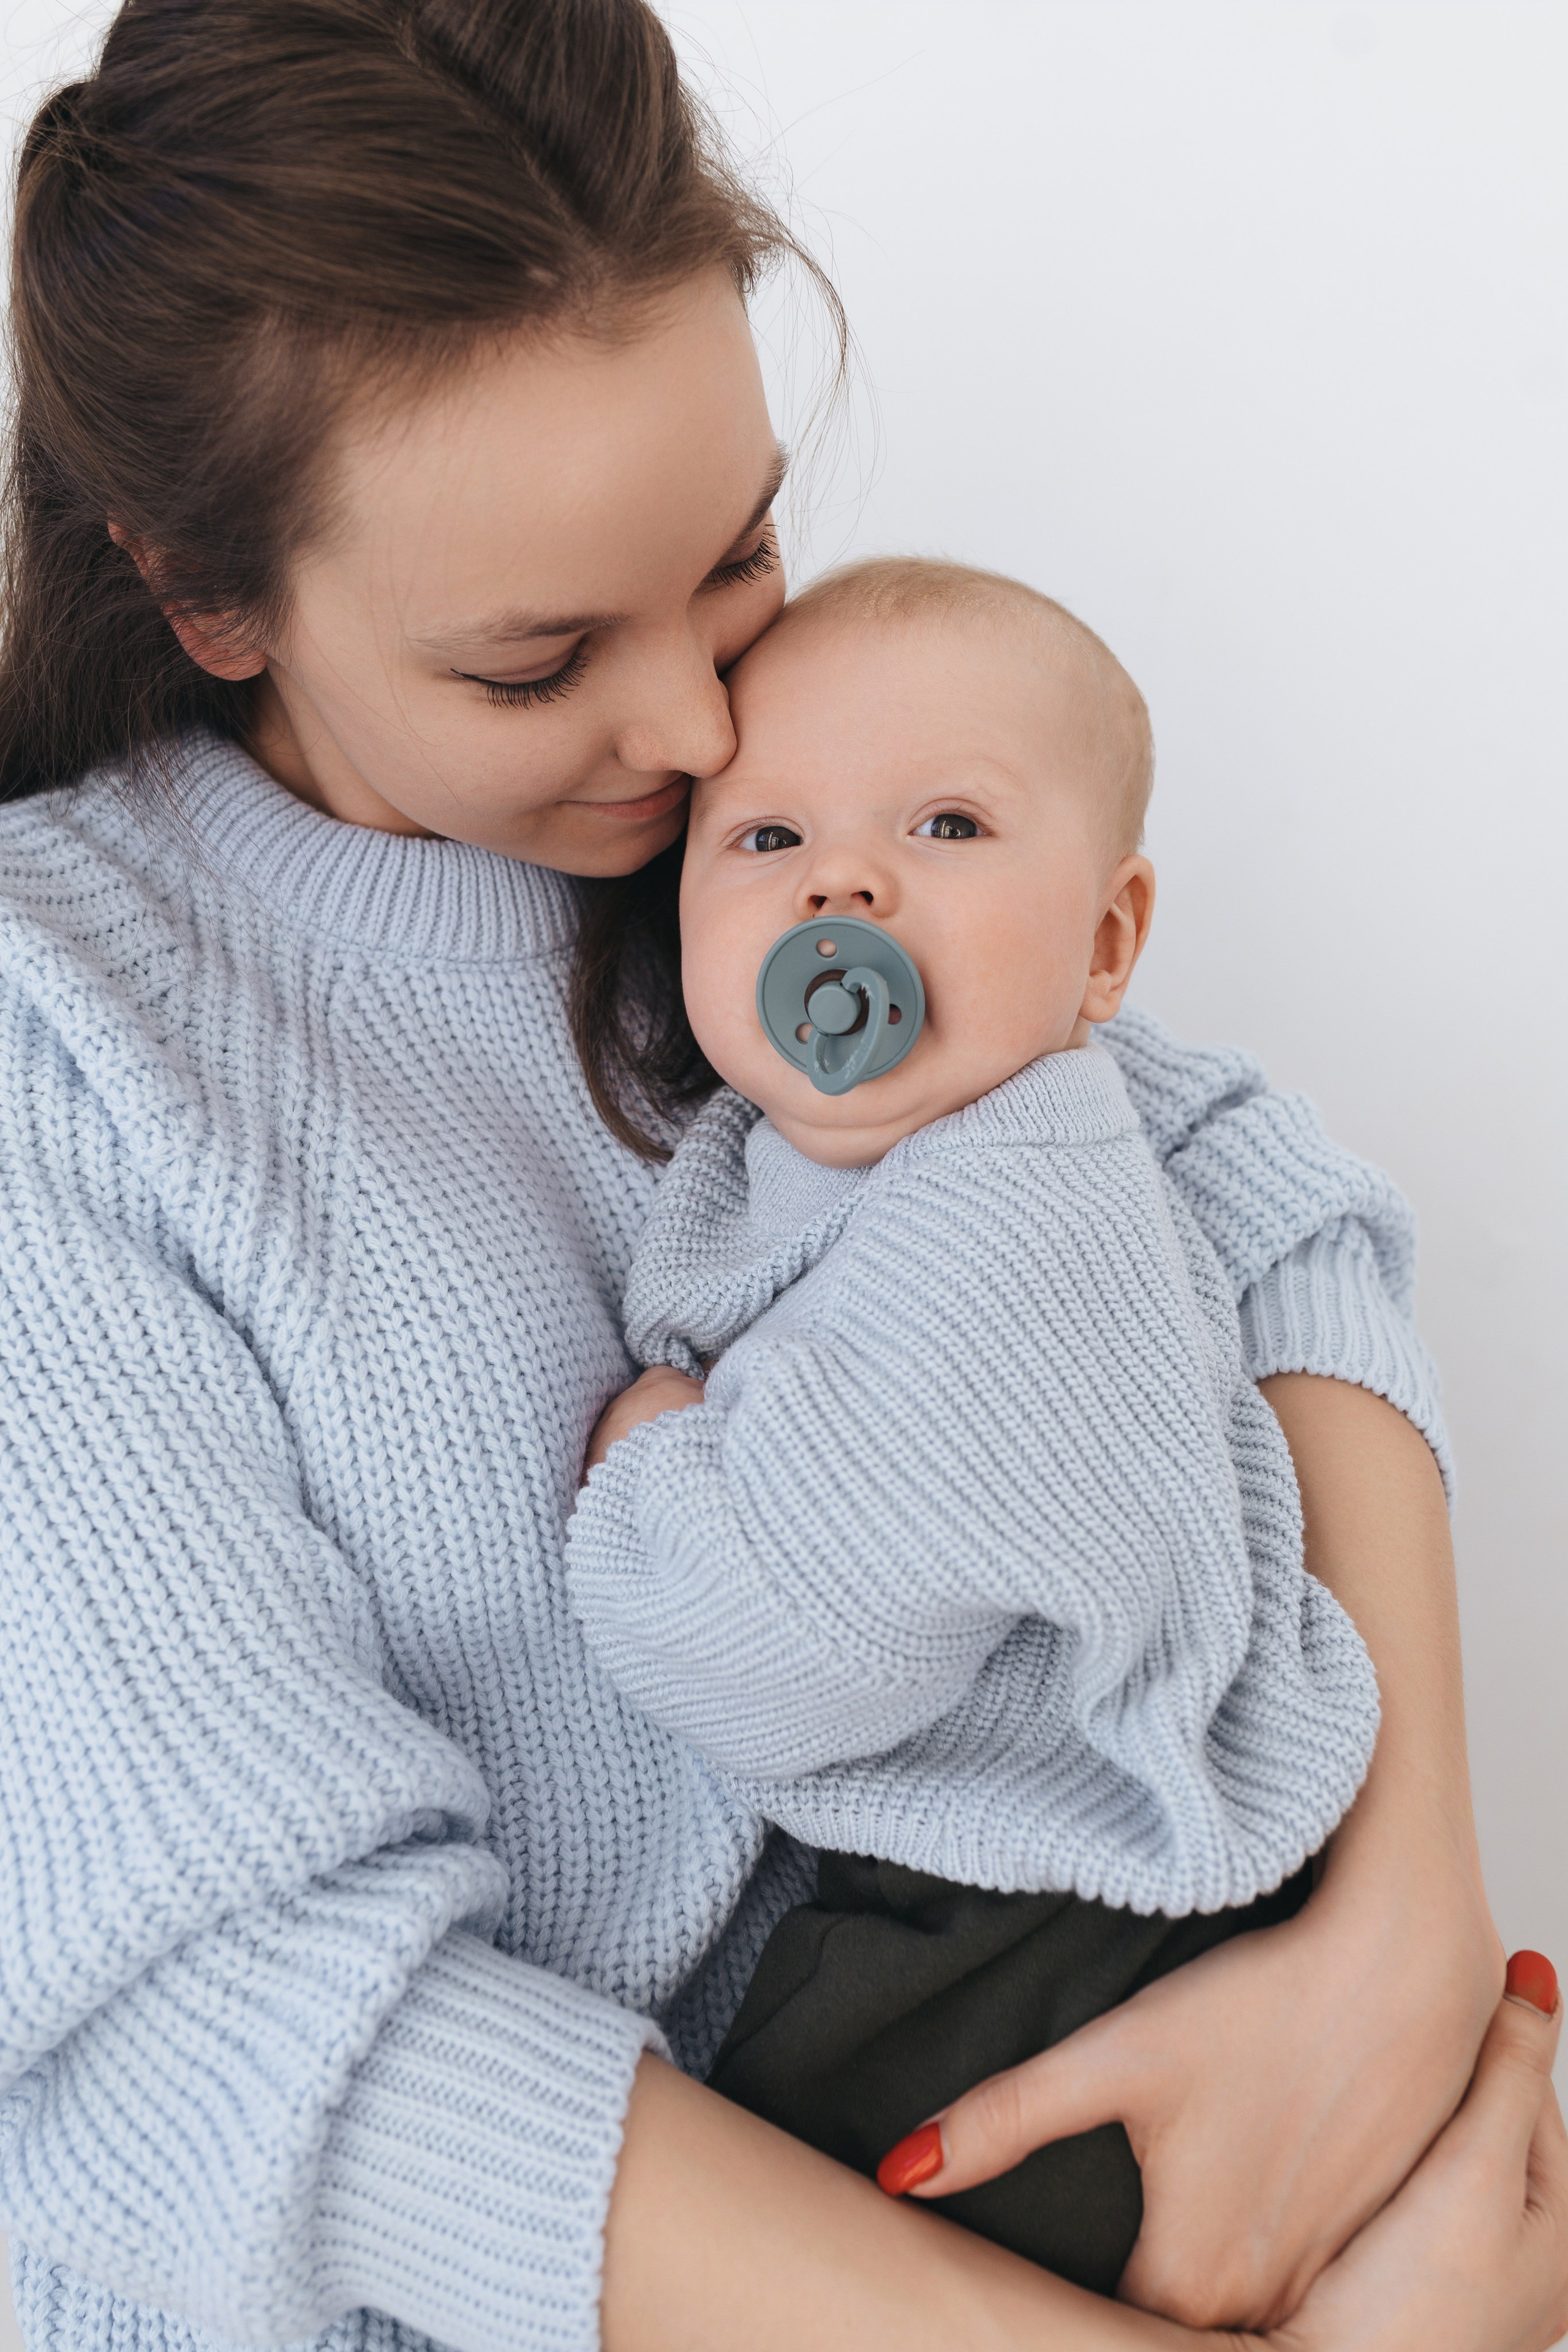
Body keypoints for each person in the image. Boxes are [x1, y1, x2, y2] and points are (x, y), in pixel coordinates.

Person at [0, 2, 1544, 2348]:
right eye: (541, 663)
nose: (712, 727)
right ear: (210, 599)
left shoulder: (768, 829)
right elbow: (242, 2041)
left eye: (735, 557)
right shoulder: (67, 1039)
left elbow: (1241, 1192)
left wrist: (1403, 1928)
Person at [567, 556, 1395, 2293]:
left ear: (1104, 946)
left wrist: (651, 1468)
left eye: (945, 826)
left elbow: (783, 1643)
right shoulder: (862, 1161)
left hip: (1040, 1944)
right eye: (767, 840)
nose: (846, 878)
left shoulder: (1016, 1216)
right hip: (1025, 1910)